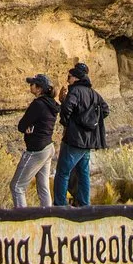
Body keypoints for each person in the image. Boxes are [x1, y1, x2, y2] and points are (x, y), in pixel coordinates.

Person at [53, 63, 109, 207]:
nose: (68, 80)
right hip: (88, 140)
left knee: (63, 172)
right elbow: (105, 110)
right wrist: (91, 122)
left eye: (69, 77)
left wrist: (70, 122)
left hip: (75, 139)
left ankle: (60, 205)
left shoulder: (75, 91)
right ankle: (84, 204)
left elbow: (67, 109)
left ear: (76, 78)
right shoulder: (94, 93)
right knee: (83, 173)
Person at [10, 74, 60, 208]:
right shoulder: (52, 104)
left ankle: (23, 217)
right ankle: (48, 215)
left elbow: (21, 125)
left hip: (37, 149)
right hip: (48, 147)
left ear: (39, 89)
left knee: (16, 186)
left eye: (32, 84)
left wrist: (27, 128)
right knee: (43, 187)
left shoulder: (38, 104)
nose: (30, 86)